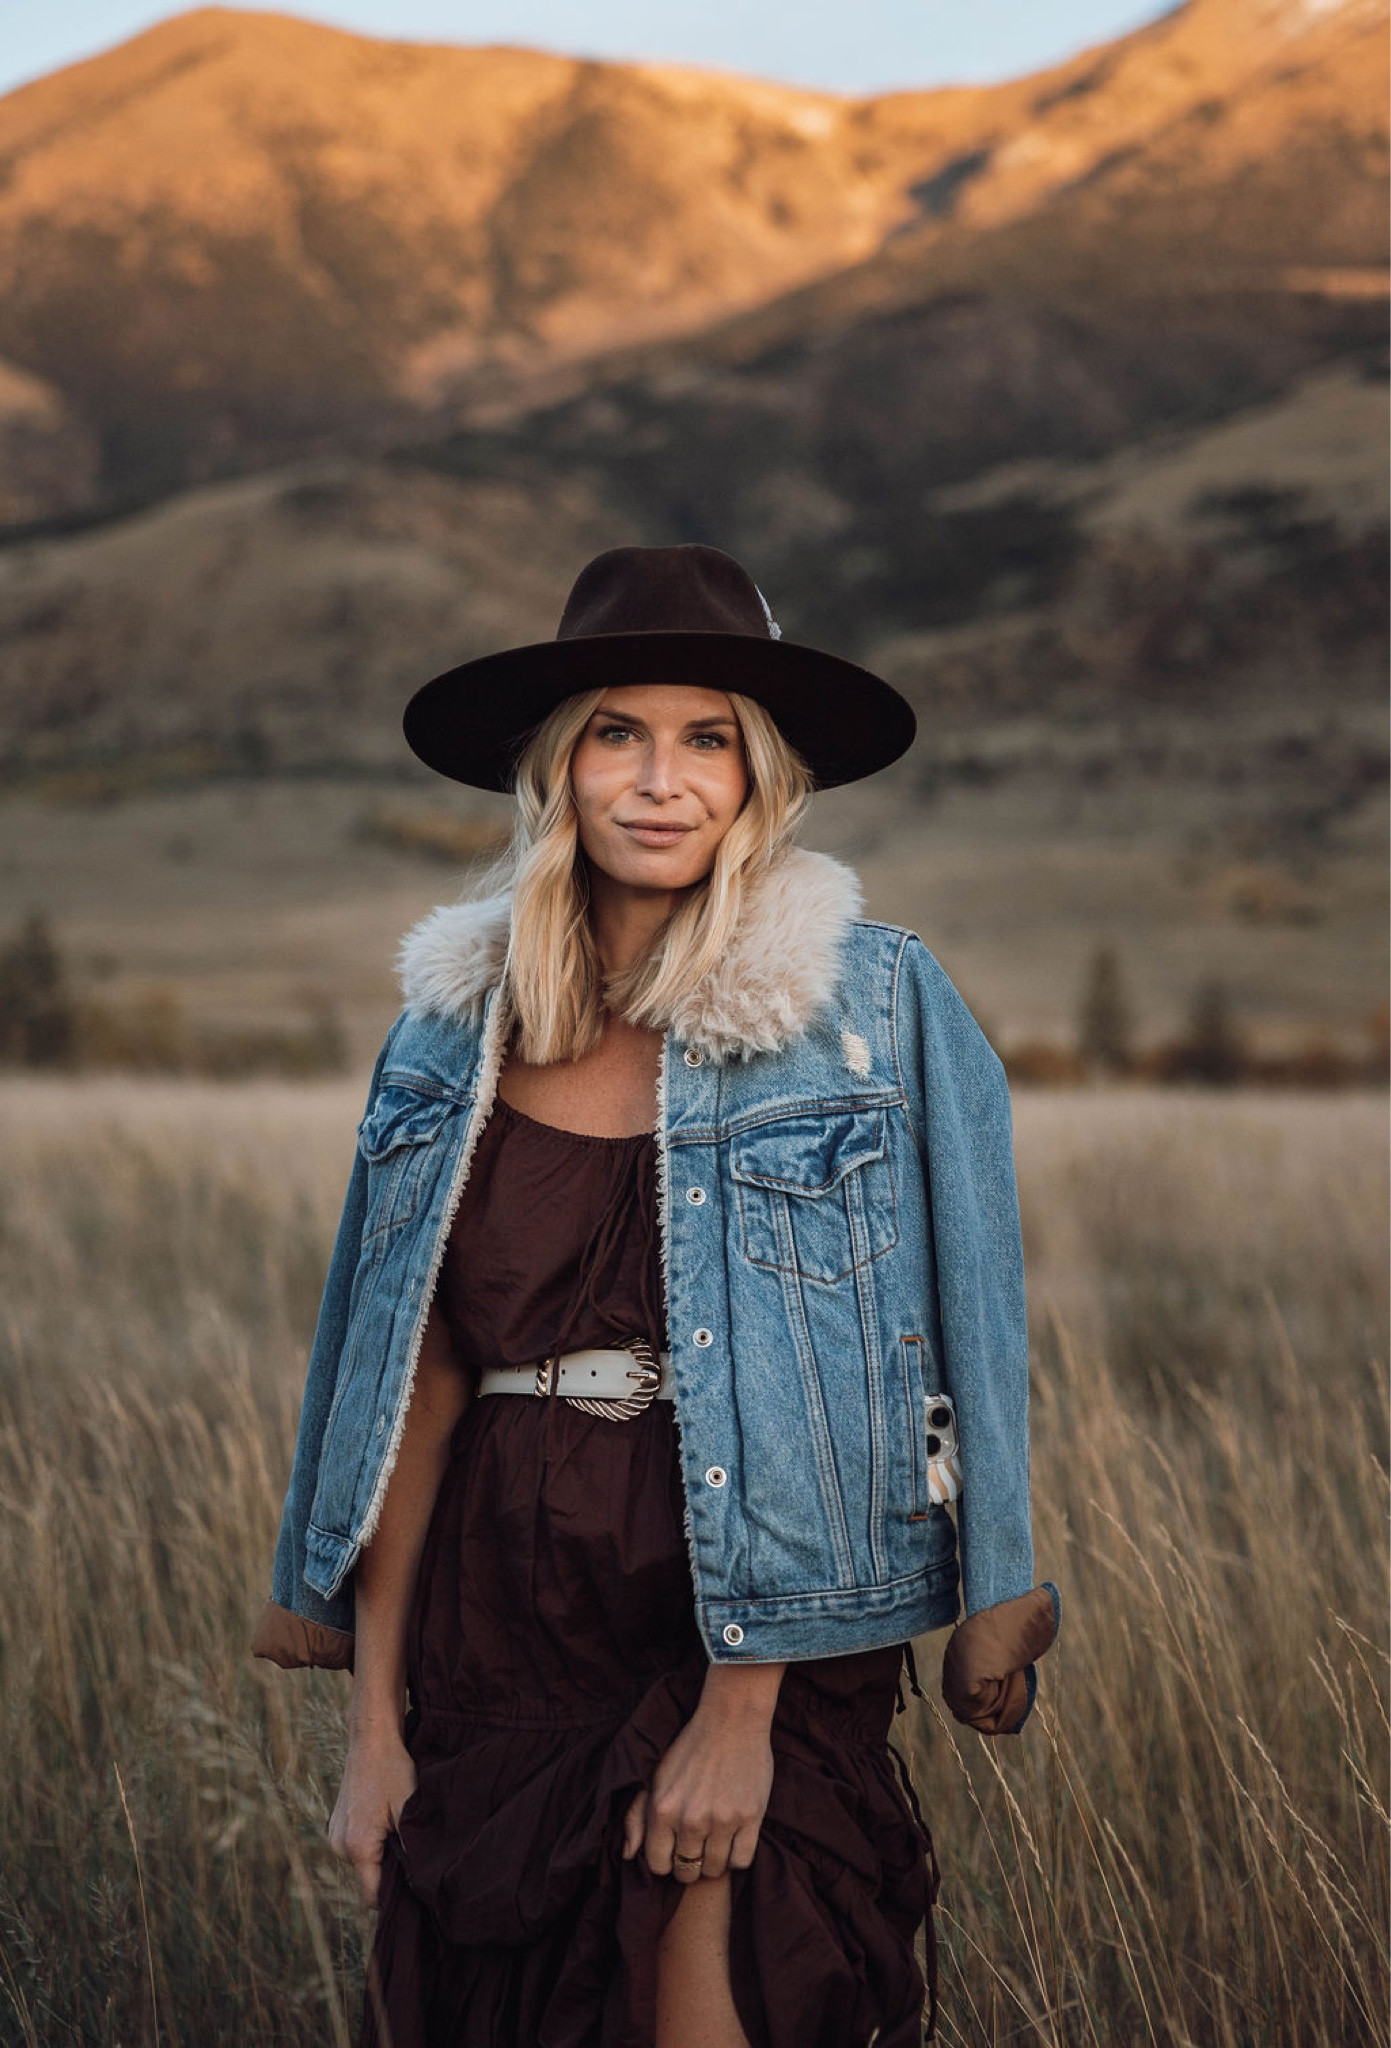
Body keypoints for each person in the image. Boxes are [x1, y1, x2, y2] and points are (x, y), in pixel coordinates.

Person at [253, 544, 1060, 2048]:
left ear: (763, 779)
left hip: (753, 1607)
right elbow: (410, 1378)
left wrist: (749, 1708)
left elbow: (972, 1320)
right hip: (501, 1615)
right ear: (558, 771)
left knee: (709, 2003)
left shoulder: (874, 1004)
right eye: (618, 733)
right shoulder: (446, 1036)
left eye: (710, 741)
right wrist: (371, 1730)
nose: (660, 780)